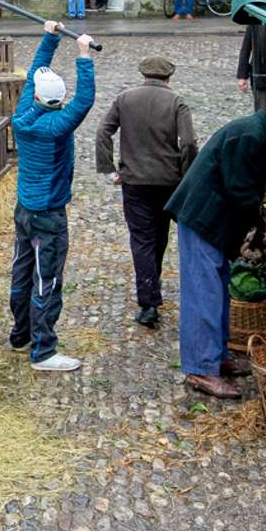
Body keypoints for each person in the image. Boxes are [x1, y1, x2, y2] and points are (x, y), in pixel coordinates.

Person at [166, 107, 266, 399]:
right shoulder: (250, 135)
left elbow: (244, 188)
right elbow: (240, 189)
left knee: (218, 291)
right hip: (202, 218)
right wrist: (261, 218)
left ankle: (217, 356)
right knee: (203, 293)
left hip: (213, 218)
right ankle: (201, 370)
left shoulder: (255, 133)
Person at [8, 23, 94, 372]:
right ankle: (43, 352)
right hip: (48, 215)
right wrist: (84, 55)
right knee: (47, 280)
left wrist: (50, 38)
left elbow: (32, 75)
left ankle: (20, 335)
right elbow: (85, 100)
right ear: (57, 101)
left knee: (22, 272)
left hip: (24, 210)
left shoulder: (23, 115)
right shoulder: (56, 126)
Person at [94, 55, 196, 330]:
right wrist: (186, 175)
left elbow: (103, 131)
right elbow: (187, 143)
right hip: (167, 181)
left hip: (134, 181)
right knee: (160, 235)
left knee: (142, 239)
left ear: (143, 75)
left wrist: (108, 169)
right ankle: (153, 285)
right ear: (168, 77)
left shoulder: (125, 99)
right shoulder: (177, 102)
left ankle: (148, 302)